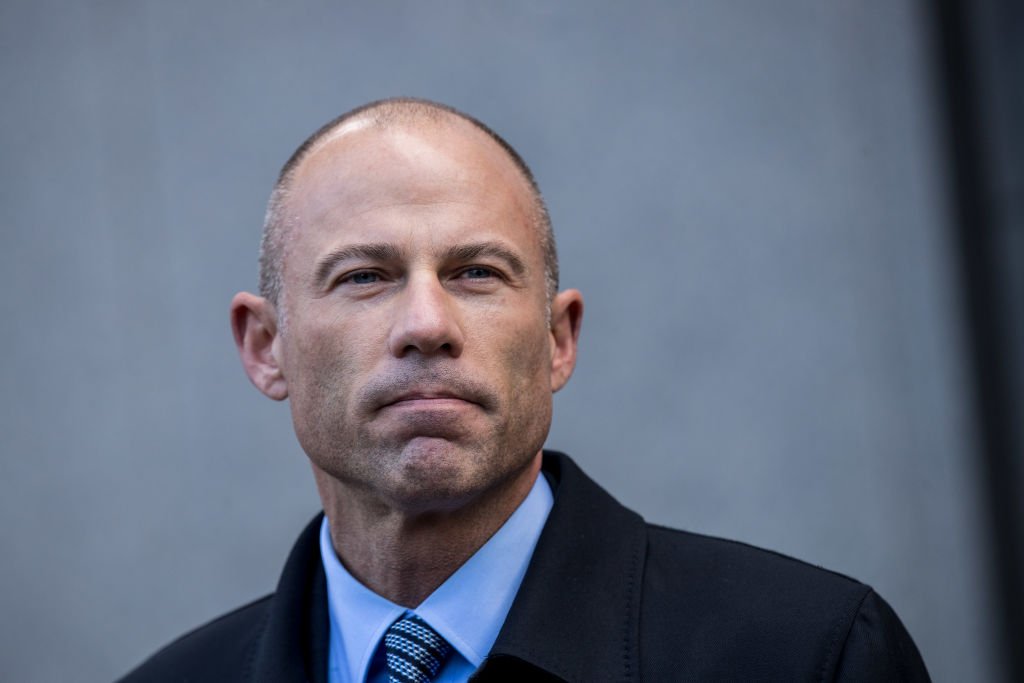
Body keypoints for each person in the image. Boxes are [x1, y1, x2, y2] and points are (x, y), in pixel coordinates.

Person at [120, 98, 930, 682]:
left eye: (477, 272)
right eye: (365, 276)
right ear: (266, 347)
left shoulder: (808, 655)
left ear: (556, 339)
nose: (426, 323)